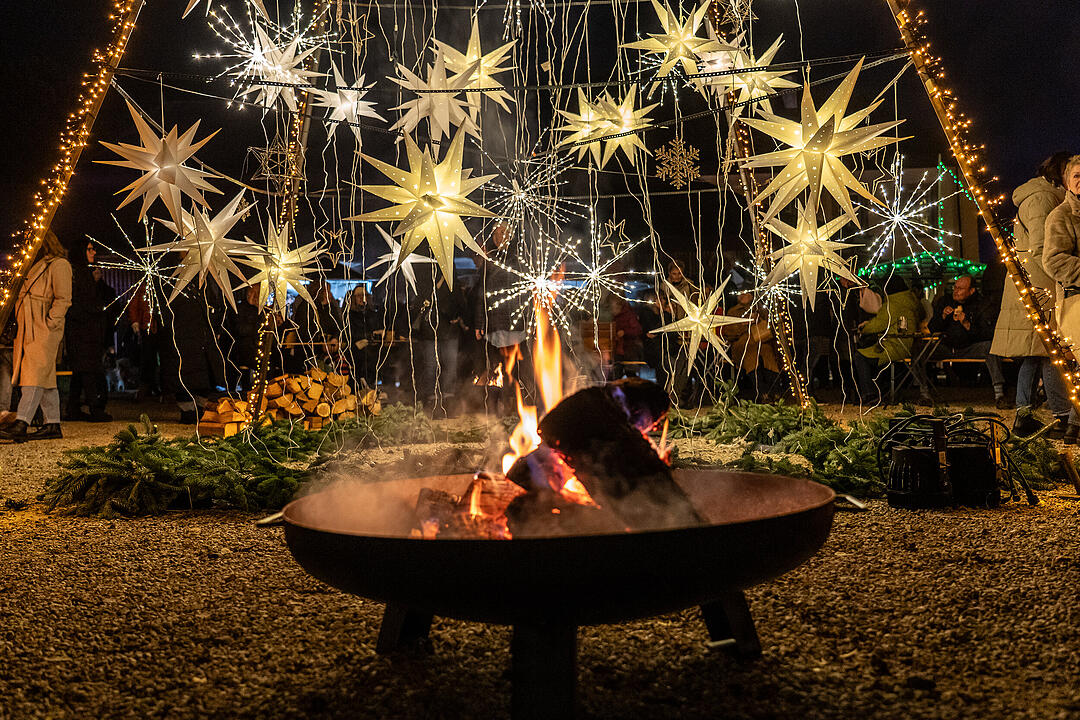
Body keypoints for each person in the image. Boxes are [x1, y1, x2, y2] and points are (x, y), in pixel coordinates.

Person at [991, 152, 1073, 435]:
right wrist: (1061, 277)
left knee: (1038, 352)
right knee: (1049, 351)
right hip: (1040, 286)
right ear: (1059, 172)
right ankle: (1059, 415)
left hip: (1035, 285)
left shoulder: (1046, 196)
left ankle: (1025, 415)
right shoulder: (1041, 198)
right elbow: (1042, 249)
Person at [0, 232, 72, 442]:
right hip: (29, 326)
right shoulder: (33, 266)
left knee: (33, 374)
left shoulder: (58, 264)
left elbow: (63, 298)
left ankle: (22, 421)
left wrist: (50, 322)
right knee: (44, 376)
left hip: (42, 326)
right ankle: (52, 424)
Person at [1041, 154, 1080, 443]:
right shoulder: (1061, 216)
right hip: (1075, 301)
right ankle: (1074, 424)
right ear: (1066, 181)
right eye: (1077, 175)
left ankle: (1075, 426)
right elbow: (1053, 261)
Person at [927, 275, 1008, 407]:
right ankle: (924, 393)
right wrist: (942, 316)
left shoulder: (981, 304)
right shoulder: (945, 301)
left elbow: (986, 334)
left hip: (970, 347)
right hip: (947, 346)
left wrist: (966, 324)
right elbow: (932, 328)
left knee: (990, 348)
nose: (956, 291)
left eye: (960, 288)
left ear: (971, 291)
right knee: (920, 349)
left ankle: (999, 394)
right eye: (955, 287)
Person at [853, 276, 921, 404]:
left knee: (860, 356)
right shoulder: (910, 300)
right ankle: (881, 391)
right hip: (908, 345)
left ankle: (870, 394)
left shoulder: (893, 303)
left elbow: (879, 324)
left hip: (893, 346)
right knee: (869, 355)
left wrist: (864, 328)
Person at [64, 240, 112, 421]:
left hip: (83, 331)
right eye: (89, 249)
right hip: (84, 332)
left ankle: (73, 407)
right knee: (89, 370)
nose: (93, 252)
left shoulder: (84, 273)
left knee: (81, 371)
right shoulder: (81, 275)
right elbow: (84, 304)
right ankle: (95, 408)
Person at [343, 286, 380, 389]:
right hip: (356, 351)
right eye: (358, 296)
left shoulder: (372, 314)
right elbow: (350, 334)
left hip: (372, 351)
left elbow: (377, 329)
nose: (361, 298)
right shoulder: (349, 315)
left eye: (364, 295)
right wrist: (368, 336)